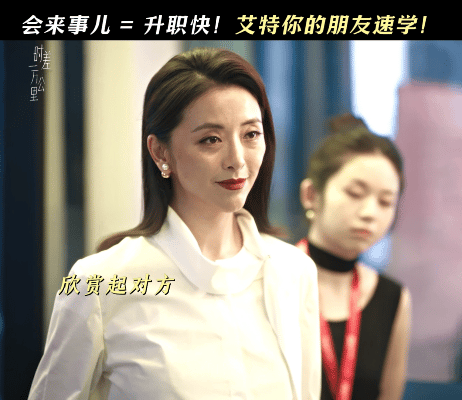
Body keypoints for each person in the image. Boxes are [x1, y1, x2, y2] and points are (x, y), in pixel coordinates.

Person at [28, 47, 321, 400]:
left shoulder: (294, 271)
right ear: (160, 152)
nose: (237, 160)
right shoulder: (98, 282)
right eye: (211, 139)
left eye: (251, 134)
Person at [296, 113, 411, 400]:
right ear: (311, 195)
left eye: (385, 201)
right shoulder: (268, 277)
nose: (370, 213)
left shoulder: (393, 298)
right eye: (355, 193)